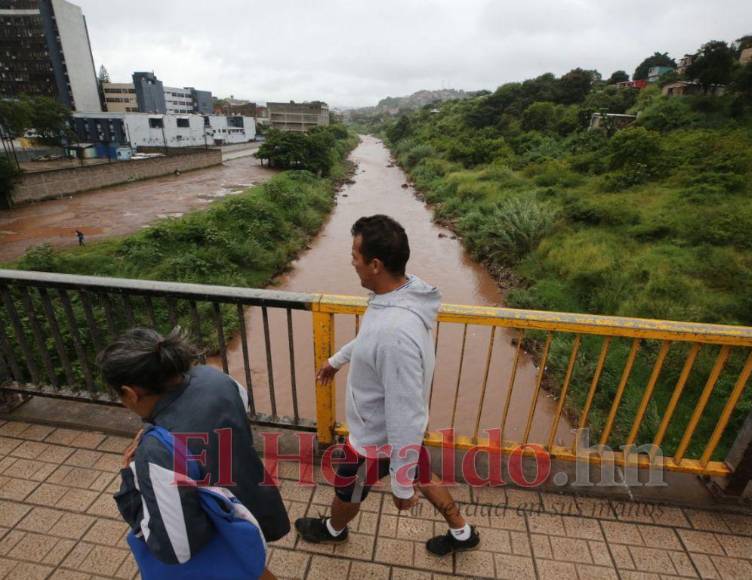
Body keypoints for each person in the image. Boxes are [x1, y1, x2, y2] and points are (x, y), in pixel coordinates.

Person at [295, 214, 481, 555]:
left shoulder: (395, 333)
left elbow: (404, 412)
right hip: (391, 435)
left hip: (375, 439)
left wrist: (400, 484)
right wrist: (337, 361)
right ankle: (462, 532)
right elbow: (370, 341)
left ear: (376, 264)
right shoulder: (403, 293)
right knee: (423, 474)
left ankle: (334, 530)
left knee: (347, 487)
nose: (352, 262)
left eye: (355, 255)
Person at [98, 327, 289, 579]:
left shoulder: (156, 450)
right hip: (252, 498)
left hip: (222, 533)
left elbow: (176, 550)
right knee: (250, 563)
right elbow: (240, 406)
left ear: (131, 393)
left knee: (240, 563)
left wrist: (131, 481)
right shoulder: (215, 378)